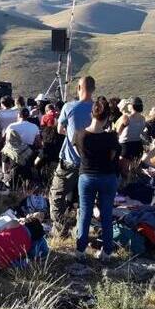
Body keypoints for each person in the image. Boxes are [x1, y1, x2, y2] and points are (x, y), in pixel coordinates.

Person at [74, 97, 121, 261]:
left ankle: (80, 250)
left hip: (86, 176)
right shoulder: (111, 138)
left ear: (91, 114)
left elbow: (81, 155)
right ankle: (107, 252)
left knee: (85, 213)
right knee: (107, 214)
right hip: (107, 177)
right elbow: (112, 157)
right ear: (107, 118)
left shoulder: (79, 135)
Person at [49, 76, 95, 237]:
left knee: (57, 195)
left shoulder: (69, 107)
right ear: (93, 89)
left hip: (70, 160)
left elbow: (59, 129)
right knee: (84, 198)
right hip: (91, 164)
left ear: (79, 88)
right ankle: (81, 229)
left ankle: (60, 229)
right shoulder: (98, 109)